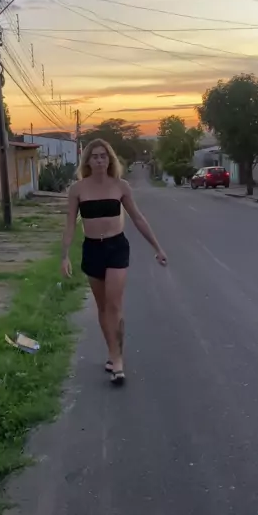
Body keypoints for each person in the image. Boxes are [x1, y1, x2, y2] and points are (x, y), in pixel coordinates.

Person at [61, 138, 167, 386]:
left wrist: (157, 248)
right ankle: (112, 352)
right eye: (95, 156)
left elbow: (138, 218)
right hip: (92, 249)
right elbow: (69, 225)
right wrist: (64, 256)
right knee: (102, 308)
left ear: (110, 160)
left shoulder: (121, 186)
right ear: (87, 161)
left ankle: (118, 361)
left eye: (103, 156)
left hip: (116, 247)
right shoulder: (77, 190)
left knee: (114, 304)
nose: (99, 160)